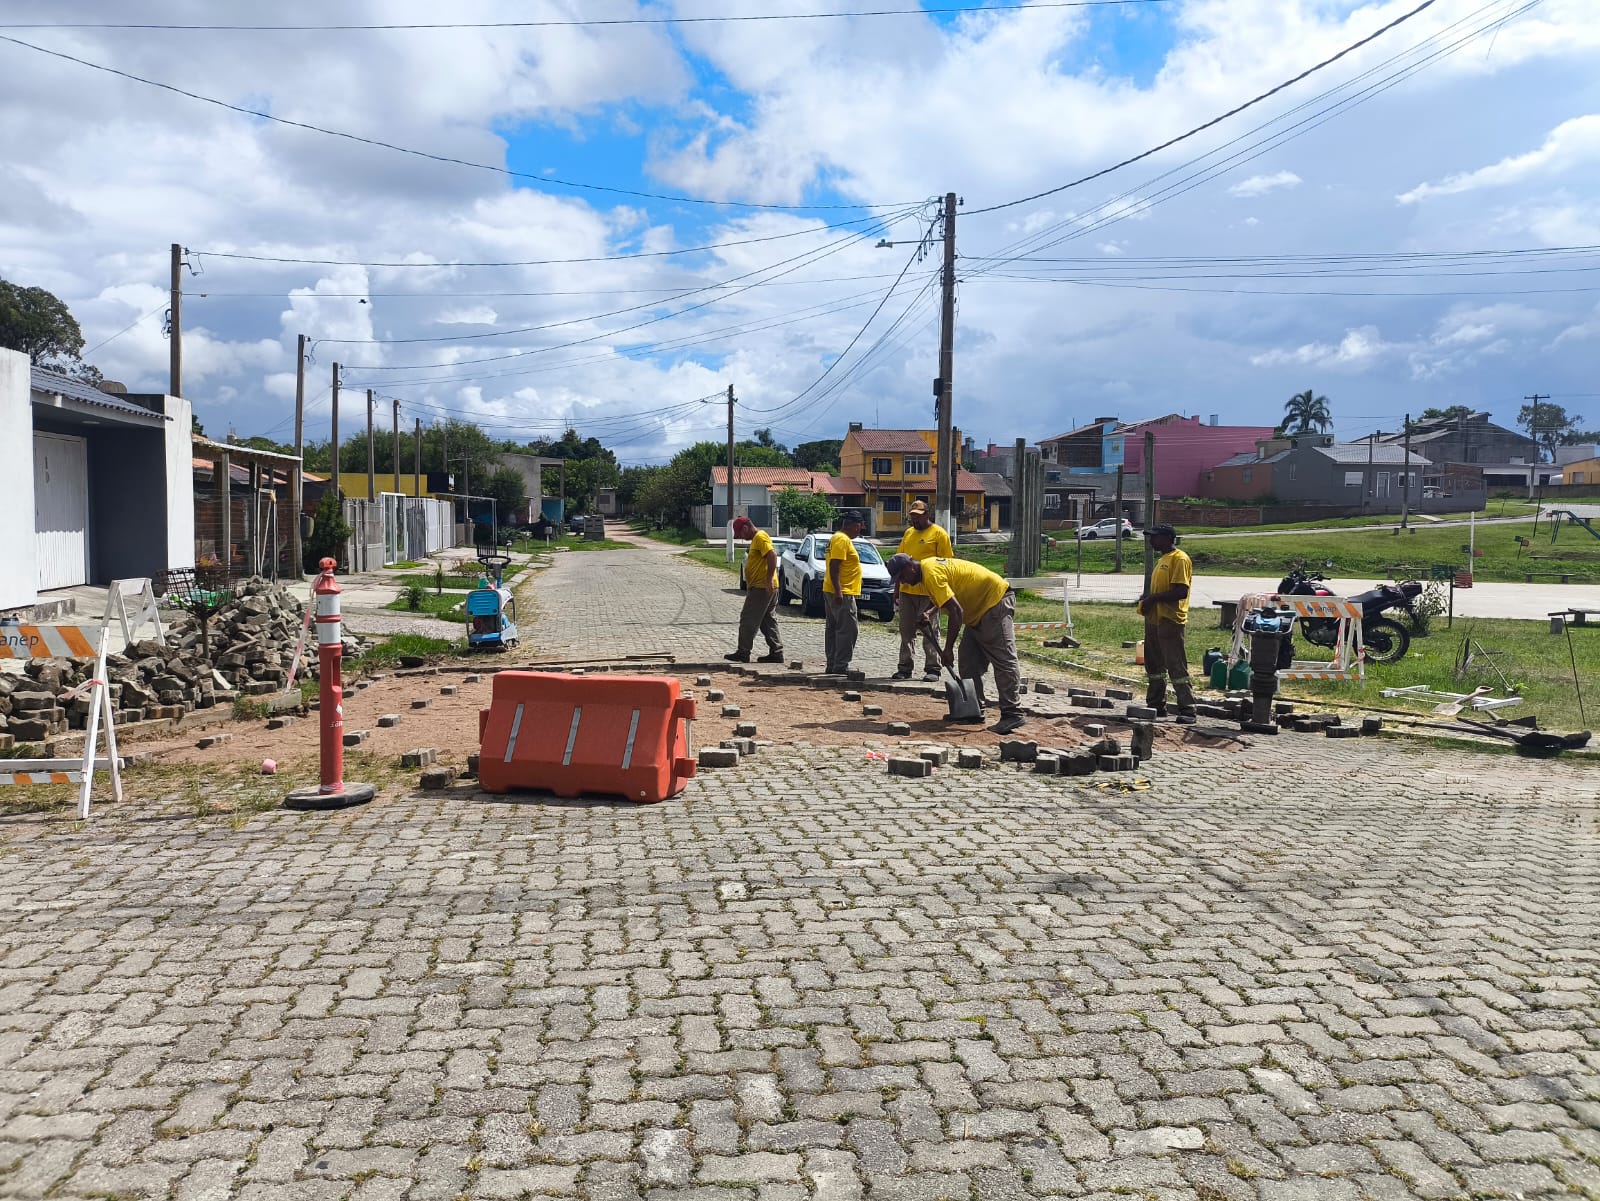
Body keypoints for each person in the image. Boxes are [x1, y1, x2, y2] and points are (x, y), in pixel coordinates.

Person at [887, 552, 1026, 735]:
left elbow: (956, 611)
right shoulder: (927, 571)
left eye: (902, 577)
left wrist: (948, 649)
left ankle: (1012, 713)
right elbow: (947, 596)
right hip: (976, 612)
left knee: (1003, 660)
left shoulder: (931, 574)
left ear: (909, 567)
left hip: (993, 602)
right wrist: (929, 612)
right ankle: (974, 709)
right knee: (969, 661)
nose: (903, 582)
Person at [1136, 524, 1197, 722]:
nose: (1151, 541)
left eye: (1155, 537)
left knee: (1175, 664)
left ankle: (1187, 708)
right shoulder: (1163, 559)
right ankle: (1156, 704)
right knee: (1154, 665)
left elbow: (1181, 591)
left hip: (1170, 620)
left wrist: (1153, 599)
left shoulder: (1179, 559)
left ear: (1167, 538)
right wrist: (1147, 599)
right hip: (1154, 619)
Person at [892, 500, 952, 682]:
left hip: (929, 592)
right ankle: (905, 667)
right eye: (912, 517)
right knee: (906, 631)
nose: (915, 520)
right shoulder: (908, 534)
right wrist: (896, 589)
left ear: (927, 514)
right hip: (907, 591)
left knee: (930, 630)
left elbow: (947, 566)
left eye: (918, 516)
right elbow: (899, 562)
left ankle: (933, 668)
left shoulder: (939, 535)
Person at [725, 516, 784, 664]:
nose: (743, 538)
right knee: (767, 621)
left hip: (761, 588)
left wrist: (769, 578)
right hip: (765, 587)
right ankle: (776, 652)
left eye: (741, 534)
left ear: (745, 528)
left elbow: (772, 554)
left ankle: (743, 652)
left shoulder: (760, 536)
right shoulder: (757, 539)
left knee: (748, 619)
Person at [822, 510, 865, 674]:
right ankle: (840, 665)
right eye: (859, 528)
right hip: (842, 591)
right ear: (854, 526)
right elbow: (834, 566)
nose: (859, 531)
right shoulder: (842, 540)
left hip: (834, 589)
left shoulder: (837, 538)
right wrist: (839, 591)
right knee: (847, 629)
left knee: (834, 628)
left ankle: (833, 664)